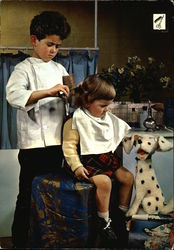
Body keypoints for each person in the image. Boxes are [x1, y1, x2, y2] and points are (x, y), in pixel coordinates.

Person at [6, 11, 71, 248]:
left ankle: (48, 241)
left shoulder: (60, 68)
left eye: (57, 45)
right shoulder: (23, 69)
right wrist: (49, 91)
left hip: (57, 143)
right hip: (33, 145)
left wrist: (77, 92)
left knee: (53, 196)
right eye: (49, 44)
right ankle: (20, 243)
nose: (53, 50)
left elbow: (69, 94)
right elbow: (14, 96)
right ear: (34, 40)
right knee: (27, 197)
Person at [62, 74, 134, 245]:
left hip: (104, 159)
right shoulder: (75, 120)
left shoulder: (105, 118)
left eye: (109, 105)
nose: (107, 110)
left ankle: (120, 214)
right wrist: (77, 166)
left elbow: (118, 134)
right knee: (105, 182)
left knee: (128, 178)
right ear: (87, 102)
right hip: (85, 162)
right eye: (103, 105)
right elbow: (69, 147)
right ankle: (104, 221)